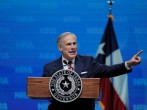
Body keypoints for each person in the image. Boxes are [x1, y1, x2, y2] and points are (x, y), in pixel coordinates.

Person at [42, 32, 143, 110]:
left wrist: (129, 64)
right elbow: (44, 91)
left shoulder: (88, 62)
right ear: (60, 47)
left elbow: (109, 70)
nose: (73, 47)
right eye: (68, 44)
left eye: (74, 43)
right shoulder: (49, 68)